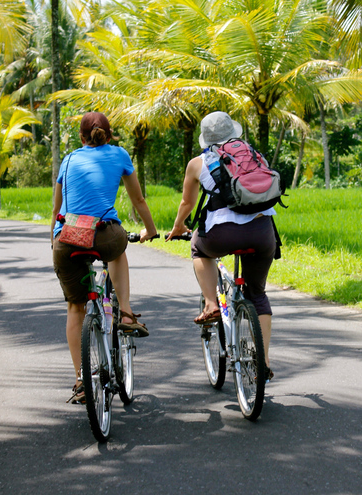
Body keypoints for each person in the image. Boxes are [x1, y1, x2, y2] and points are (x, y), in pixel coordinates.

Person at [51, 111, 157, 403]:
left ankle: (81, 380)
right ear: (108, 135)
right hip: (103, 233)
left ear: (82, 138)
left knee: (76, 307)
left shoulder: (69, 159)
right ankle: (125, 311)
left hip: (68, 238)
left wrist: (54, 242)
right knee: (117, 250)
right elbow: (138, 199)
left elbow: (56, 208)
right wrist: (150, 229)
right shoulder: (119, 154)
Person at [166, 111, 278, 380]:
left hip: (221, 235)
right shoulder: (253, 154)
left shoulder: (198, 163)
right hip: (263, 234)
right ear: (233, 133)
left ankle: (210, 304)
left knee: (198, 248)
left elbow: (187, 204)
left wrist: (178, 226)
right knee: (257, 294)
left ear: (205, 138)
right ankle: (263, 361)